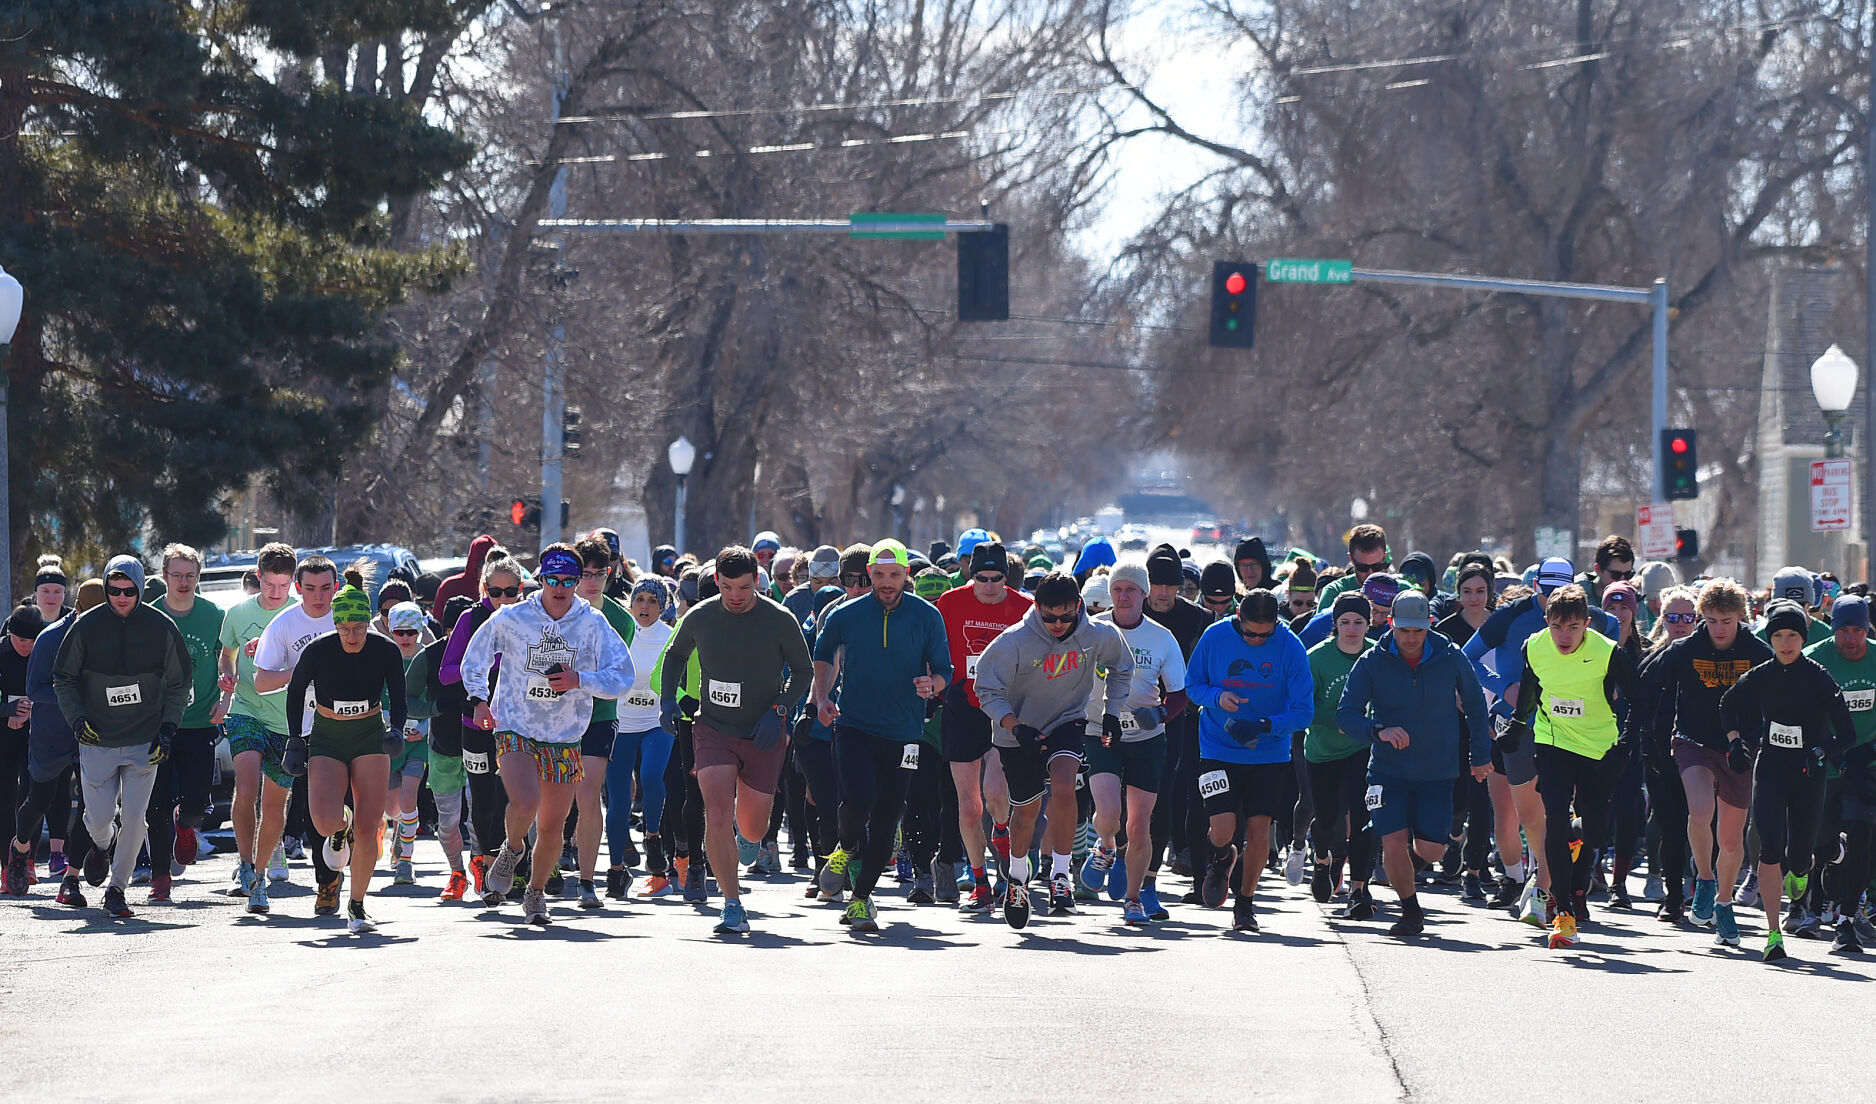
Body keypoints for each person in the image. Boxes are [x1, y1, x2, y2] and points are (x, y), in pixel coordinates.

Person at [461, 543, 634, 926]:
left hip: (565, 732)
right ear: (539, 580)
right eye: (552, 580)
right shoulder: (513, 617)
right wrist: (478, 699)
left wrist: (580, 680)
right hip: (515, 725)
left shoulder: (592, 623)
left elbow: (622, 674)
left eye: (569, 580)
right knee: (525, 802)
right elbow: (474, 658)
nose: (560, 587)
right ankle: (512, 847)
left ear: (578, 582)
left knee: (553, 824)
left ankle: (535, 893)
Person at [660, 546, 810, 934]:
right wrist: (667, 700)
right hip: (713, 727)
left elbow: (803, 672)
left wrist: (779, 710)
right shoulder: (701, 616)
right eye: (727, 587)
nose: (735, 596)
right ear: (718, 584)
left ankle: (749, 836)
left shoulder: (779, 619)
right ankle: (731, 902)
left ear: (757, 582)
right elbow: (675, 656)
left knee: (754, 829)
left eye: (743, 587)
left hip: (763, 730)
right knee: (717, 810)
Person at [1463, 557, 1619, 923]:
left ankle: (1546, 890)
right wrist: (1505, 687)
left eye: (1559, 593)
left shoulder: (1598, 621)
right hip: (1519, 724)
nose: (1552, 601)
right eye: (1546, 593)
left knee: (1564, 816)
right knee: (1531, 816)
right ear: (1536, 587)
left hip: (1570, 731)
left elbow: (1614, 662)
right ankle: (1543, 878)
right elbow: (1466, 657)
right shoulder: (1510, 616)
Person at [810, 540, 952, 932]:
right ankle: (848, 845)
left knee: (888, 818)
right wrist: (822, 698)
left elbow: (945, 668)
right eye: (879, 575)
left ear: (906, 574)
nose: (887, 582)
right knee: (858, 800)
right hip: (854, 723)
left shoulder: (926, 616)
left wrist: (932, 684)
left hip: (905, 731)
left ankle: (859, 900)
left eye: (894, 575)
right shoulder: (846, 614)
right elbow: (822, 654)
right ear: (869, 574)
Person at [972, 570, 1127, 927]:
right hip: (1019, 730)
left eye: (1065, 616)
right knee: (1026, 812)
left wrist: (1112, 713)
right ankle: (1017, 878)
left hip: (1067, 721)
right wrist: (1013, 724)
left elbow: (1122, 667)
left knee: (1063, 784)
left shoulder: (1098, 634)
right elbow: (985, 688)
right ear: (1037, 607)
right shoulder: (1014, 641)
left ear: (1078, 606)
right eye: (1049, 617)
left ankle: (1060, 876)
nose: (1057, 624)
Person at [1336, 591, 1491, 937]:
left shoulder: (1451, 658)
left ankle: (1428, 850)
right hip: (1388, 772)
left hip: (1438, 771)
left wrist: (1480, 757)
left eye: (1417, 632)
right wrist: (1378, 730)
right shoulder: (1372, 661)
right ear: (1391, 624)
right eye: (1403, 630)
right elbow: (1346, 715)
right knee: (1392, 841)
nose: (1409, 638)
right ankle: (1410, 910)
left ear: (1428, 627)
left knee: (1431, 851)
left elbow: (1476, 707)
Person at [1500, 585, 1641, 948]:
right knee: (1555, 824)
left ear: (1587, 624)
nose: (1565, 636)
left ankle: (1580, 831)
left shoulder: (1607, 652)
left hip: (1597, 747)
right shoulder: (1534, 646)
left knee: (1594, 833)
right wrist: (1518, 726)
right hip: (1553, 741)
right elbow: (1531, 690)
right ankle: (1563, 914)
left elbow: (1642, 702)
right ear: (1546, 622)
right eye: (1558, 627)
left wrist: (1626, 743)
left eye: (1574, 627)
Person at [53, 556, 191, 919]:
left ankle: (117, 888)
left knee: (135, 817)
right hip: (96, 737)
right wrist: (76, 718)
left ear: (141, 589)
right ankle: (101, 846)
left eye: (129, 590)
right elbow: (63, 677)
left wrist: (168, 728)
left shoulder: (162, 628)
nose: (121, 597)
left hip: (144, 740)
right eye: (113, 590)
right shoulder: (86, 627)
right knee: (98, 820)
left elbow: (179, 683)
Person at [1718, 599, 1855, 961]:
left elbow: (1847, 733)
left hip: (1809, 772)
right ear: (1771, 638)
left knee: (1797, 859)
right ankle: (1773, 933)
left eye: (1793, 635)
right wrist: (1734, 742)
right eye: (1778, 635)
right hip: (1771, 767)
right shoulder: (1761, 674)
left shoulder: (1818, 676)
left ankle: (1808, 865)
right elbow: (1726, 705)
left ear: (1802, 637)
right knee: (1769, 848)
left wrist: (1824, 751)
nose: (1785, 642)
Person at [1647, 577, 1773, 945]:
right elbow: (1649, 687)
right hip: (1693, 742)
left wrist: (1755, 743)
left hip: (1740, 750)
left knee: (1731, 840)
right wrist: (1648, 738)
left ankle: (1723, 902)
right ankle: (1703, 878)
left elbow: (1773, 702)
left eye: (1727, 621)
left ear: (1742, 618)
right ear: (1702, 617)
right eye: (1712, 620)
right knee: (1701, 810)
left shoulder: (1757, 652)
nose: (1719, 629)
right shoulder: (1685, 649)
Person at [1185, 589, 1312, 932]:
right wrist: (1218, 696)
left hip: (1268, 753)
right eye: (1249, 632)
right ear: (1238, 617)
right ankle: (1223, 857)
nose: (1256, 640)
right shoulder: (1215, 636)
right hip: (1217, 746)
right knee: (1223, 827)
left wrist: (1267, 725)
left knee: (1258, 830)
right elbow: (1192, 685)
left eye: (1264, 634)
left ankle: (1245, 903)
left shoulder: (1290, 646)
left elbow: (1304, 712)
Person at [285, 576, 406, 933]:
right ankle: (342, 826)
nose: (352, 636)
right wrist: (295, 740)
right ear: (334, 625)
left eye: (358, 628)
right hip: (328, 735)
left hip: (370, 734)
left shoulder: (385, 650)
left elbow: (398, 697)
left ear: (368, 623)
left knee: (369, 830)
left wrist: (397, 729)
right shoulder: (319, 650)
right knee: (323, 822)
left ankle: (357, 905)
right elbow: (295, 693)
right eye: (344, 629)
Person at [1082, 561, 1188, 925]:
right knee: (1109, 814)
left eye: (1131, 590)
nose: (1123, 596)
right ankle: (1106, 846)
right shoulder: (1093, 630)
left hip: (1146, 737)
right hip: (1101, 732)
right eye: (1117, 589)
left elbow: (1180, 693)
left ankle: (1132, 900)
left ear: (1144, 594)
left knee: (1139, 824)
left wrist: (1158, 716)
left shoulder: (1161, 638)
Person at [932, 540, 1032, 913]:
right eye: (982, 578)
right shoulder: (951, 603)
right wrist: (940, 685)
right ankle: (979, 883)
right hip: (962, 707)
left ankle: (1002, 831)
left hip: (1004, 708)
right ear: (970, 575)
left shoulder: (1025, 608)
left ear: (1007, 577)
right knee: (969, 807)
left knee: (994, 793)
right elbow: (937, 651)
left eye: (997, 579)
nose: (989, 587)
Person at [252, 554, 346, 912]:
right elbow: (262, 682)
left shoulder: (348, 619)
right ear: (298, 588)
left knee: (347, 810)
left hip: (351, 725)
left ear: (335, 588)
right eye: (310, 589)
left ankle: (347, 848)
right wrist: (302, 673)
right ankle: (327, 883)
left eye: (325, 588)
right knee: (314, 812)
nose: (318, 597)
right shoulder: (284, 625)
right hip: (306, 731)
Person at [6, 583, 103, 906]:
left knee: (92, 804)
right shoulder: (50, 638)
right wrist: (75, 699)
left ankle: (71, 877)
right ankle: (20, 849)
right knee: (39, 800)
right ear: (77, 611)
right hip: (51, 733)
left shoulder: (114, 636)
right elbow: (35, 689)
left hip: (91, 734)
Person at [146, 544, 225, 901]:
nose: (183, 582)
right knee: (156, 803)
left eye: (190, 576)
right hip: (156, 723)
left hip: (200, 721)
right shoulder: (148, 616)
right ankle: (160, 876)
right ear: (164, 577)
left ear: (198, 578)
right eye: (176, 575)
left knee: (196, 803)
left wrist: (227, 695)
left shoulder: (214, 615)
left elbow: (229, 658)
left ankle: (186, 825)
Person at [1801, 595, 1876, 951]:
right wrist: (1832, 752)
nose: (1850, 638)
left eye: (1857, 630)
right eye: (1843, 630)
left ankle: (1846, 920)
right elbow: (1801, 715)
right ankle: (1827, 871)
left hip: (1867, 764)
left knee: (1863, 834)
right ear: (1833, 630)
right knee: (1822, 842)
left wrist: (1868, 752)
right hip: (1826, 761)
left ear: (1866, 629)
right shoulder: (1816, 659)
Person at [567, 535, 635, 908]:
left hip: (599, 716)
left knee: (588, 794)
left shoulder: (620, 620)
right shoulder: (555, 610)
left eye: (599, 574)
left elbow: (610, 674)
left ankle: (587, 881)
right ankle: (542, 865)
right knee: (553, 800)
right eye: (584, 574)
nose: (591, 582)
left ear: (610, 574)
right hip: (554, 717)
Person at [1305, 593, 1378, 914]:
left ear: (1369, 623)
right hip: (1323, 750)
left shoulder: (1378, 656)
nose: (1351, 629)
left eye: (1358, 622)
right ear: (1334, 624)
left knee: (1364, 818)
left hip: (1363, 749)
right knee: (1327, 818)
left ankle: (1359, 888)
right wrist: (1340, 721)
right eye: (1345, 622)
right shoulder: (1317, 658)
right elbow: (1304, 708)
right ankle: (1322, 860)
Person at [616, 579, 676, 897]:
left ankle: (652, 838)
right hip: (622, 721)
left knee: (652, 777)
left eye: (653, 600)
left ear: (663, 605)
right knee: (618, 789)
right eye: (639, 598)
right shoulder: (620, 634)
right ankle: (618, 854)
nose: (645, 606)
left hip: (656, 721)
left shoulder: (671, 638)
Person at [384, 601, 435, 886]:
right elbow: (378, 701)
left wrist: (423, 729)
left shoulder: (426, 660)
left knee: (408, 797)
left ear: (419, 631)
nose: (405, 638)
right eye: (400, 632)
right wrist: (393, 726)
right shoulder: (383, 658)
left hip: (417, 744)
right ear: (392, 631)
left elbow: (429, 701)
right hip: (390, 743)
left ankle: (406, 859)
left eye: (411, 632)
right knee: (392, 808)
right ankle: (396, 831)